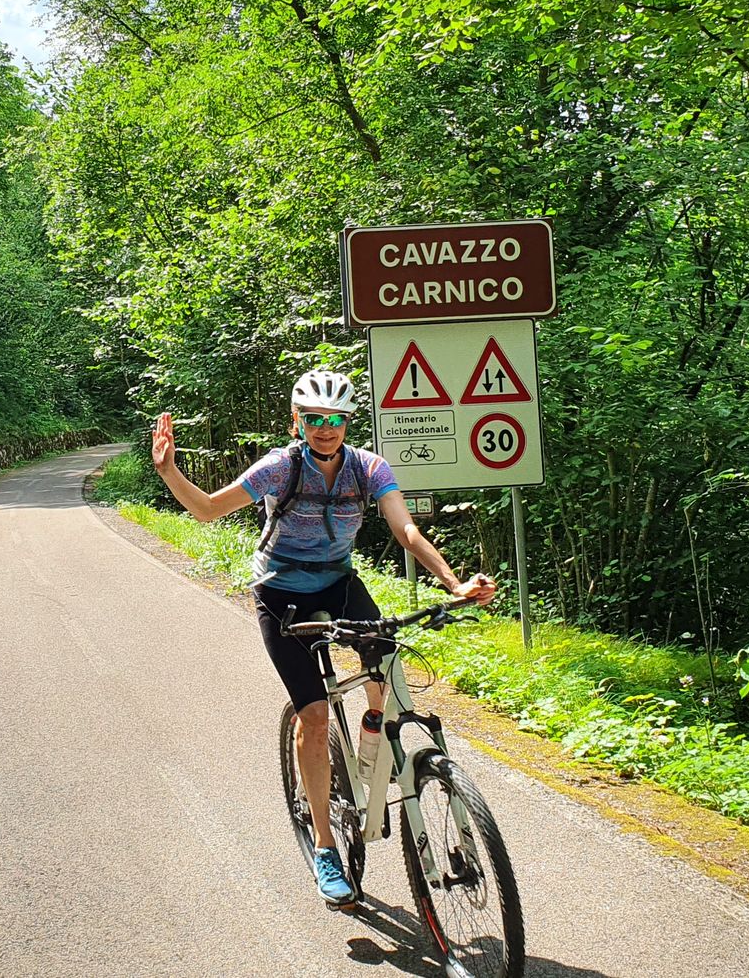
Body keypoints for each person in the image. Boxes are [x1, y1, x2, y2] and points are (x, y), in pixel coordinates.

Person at [150, 368, 495, 907]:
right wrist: (171, 472)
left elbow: (406, 530)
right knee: (312, 715)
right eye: (314, 419)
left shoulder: (369, 468)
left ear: (348, 423)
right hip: (280, 592)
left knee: (386, 661)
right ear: (298, 421)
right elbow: (209, 509)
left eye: (335, 419)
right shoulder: (280, 468)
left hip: (338, 583)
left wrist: (454, 582)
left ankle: (371, 738)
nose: (325, 428)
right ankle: (326, 846)